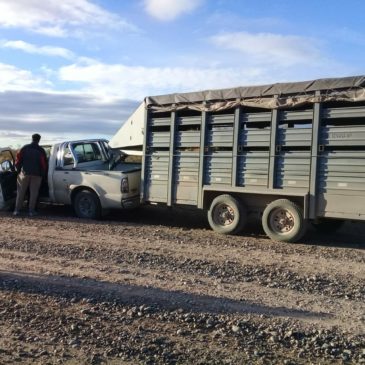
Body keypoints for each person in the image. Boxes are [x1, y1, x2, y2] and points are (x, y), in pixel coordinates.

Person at [13, 133, 47, 216]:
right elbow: (44, 165)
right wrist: (43, 175)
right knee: (33, 193)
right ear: (39, 140)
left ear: (32, 139)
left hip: (24, 173)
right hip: (36, 175)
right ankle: (31, 211)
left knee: (21, 192)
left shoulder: (24, 148)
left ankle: (17, 211)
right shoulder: (41, 150)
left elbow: (17, 160)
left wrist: (18, 171)